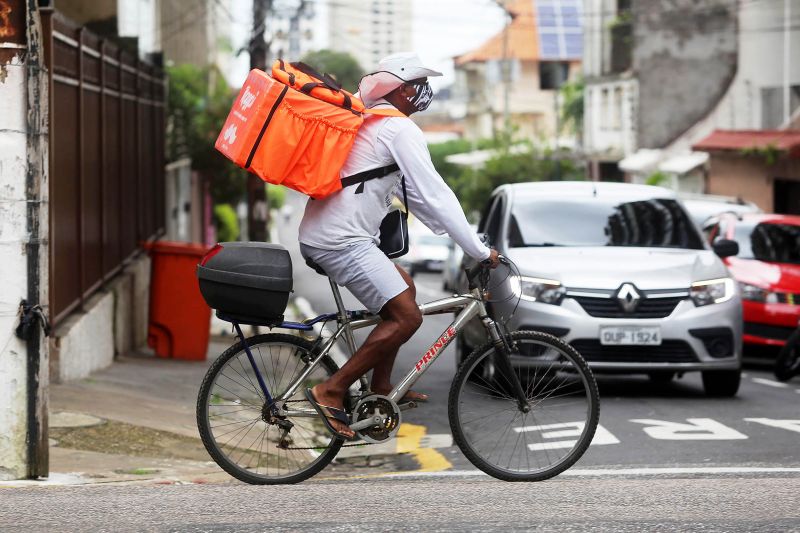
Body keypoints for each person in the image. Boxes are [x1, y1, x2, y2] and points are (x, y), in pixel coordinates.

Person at [299, 52, 499, 439]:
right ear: (401, 90)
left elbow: (421, 201)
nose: (424, 92)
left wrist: (461, 238)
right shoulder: (399, 130)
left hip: (332, 235)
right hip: (341, 240)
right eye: (418, 85)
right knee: (408, 317)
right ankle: (331, 389)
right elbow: (436, 194)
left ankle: (380, 390)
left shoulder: (374, 120)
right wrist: (478, 251)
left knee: (403, 286)